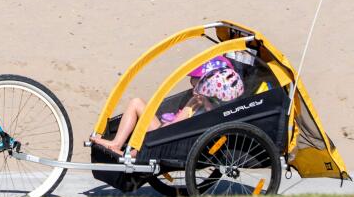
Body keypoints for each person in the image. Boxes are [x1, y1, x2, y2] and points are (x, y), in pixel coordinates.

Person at [90, 57, 245, 154]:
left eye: (196, 85)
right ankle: (119, 144)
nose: (193, 89)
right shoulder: (196, 103)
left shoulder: (207, 111)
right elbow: (174, 126)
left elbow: (174, 129)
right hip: (171, 136)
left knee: (138, 105)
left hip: (174, 143)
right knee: (137, 103)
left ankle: (125, 148)